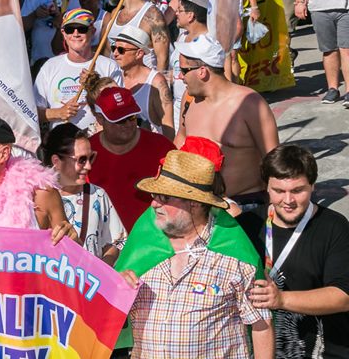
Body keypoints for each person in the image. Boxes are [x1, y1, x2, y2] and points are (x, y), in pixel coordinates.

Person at [117, 149, 274, 358]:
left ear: (195, 202)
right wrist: (116, 290)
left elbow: (261, 325)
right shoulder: (141, 248)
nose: (154, 204)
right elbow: (110, 320)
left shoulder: (234, 254)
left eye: (164, 197)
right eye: (154, 196)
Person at [239, 145, 349, 357]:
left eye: (298, 191)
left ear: (313, 186)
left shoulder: (334, 227)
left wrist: (281, 299)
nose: (288, 201)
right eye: (279, 191)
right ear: (266, 187)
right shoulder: (246, 226)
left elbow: (344, 296)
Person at [175, 34, 279, 209]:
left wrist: (275, 207)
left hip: (246, 204)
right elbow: (181, 139)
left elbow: (273, 159)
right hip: (200, 205)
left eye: (184, 70)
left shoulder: (249, 103)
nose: (179, 76)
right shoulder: (189, 99)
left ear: (202, 71)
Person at [88, 86, 175, 229]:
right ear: (100, 119)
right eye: (120, 120)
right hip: (105, 238)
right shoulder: (86, 153)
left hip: (153, 236)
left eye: (132, 117)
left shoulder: (162, 147)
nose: (128, 124)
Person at [40, 123, 126, 264]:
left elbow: (117, 242)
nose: (89, 166)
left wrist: (101, 268)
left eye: (91, 158)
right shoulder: (37, 198)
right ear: (56, 161)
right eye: (81, 160)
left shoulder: (97, 195)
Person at [35, 8, 122, 132]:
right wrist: (59, 112)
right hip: (63, 141)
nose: (75, 34)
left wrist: (95, 87)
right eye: (70, 29)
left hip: (99, 138)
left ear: (93, 31)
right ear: (63, 33)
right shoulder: (49, 67)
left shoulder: (109, 66)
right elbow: (33, 112)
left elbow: (120, 107)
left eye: (82, 29)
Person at [293, 0, 349, 105]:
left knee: (346, 49)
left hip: (346, 7)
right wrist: (299, 2)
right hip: (320, 7)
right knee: (329, 50)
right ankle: (332, 89)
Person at [110, 26, 174, 139]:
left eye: (121, 50)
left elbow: (168, 126)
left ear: (139, 53)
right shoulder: (115, 78)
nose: (115, 53)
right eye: (113, 48)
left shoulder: (156, 82)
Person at [101, 0, 169, 72]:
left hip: (143, 80)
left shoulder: (152, 15)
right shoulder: (115, 13)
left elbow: (162, 59)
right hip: (115, 79)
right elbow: (107, 52)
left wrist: (158, 81)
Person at [20, 0, 81, 65]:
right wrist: (35, 14)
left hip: (69, 62)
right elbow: (22, 26)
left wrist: (63, 20)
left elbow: (90, 20)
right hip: (40, 60)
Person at [167, 0, 209, 131]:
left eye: (180, 10)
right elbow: (175, 69)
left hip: (199, 105)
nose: (176, 13)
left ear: (190, 15)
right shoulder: (182, 36)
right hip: (178, 104)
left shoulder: (209, 41)